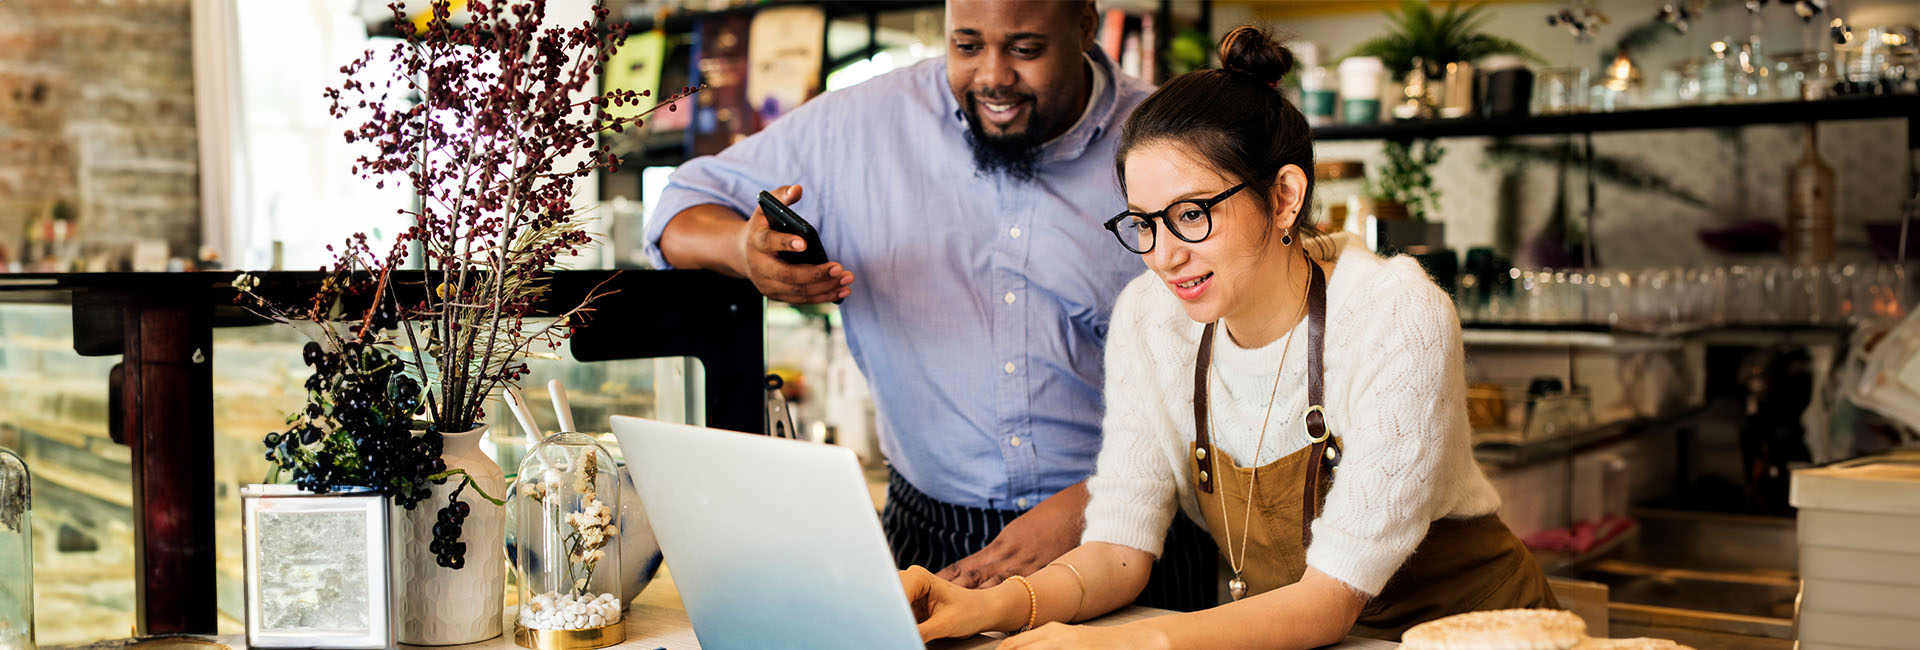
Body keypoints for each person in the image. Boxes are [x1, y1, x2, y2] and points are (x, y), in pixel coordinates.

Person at [902, 26, 1558, 647]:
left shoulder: (1396, 316)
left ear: (1284, 198)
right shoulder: (1149, 318)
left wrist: (1138, 641)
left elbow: (1329, 600)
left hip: (1484, 636)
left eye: (1191, 215)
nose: (1163, 255)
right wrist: (994, 606)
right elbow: (1118, 551)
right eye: (1144, 224)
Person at [643, 0, 1213, 610]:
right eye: (966, 46)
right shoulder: (858, 125)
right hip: (934, 539)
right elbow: (678, 208)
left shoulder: (1168, 142)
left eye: (1025, 49)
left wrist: (1100, 503)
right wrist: (742, 249)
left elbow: (1244, 367)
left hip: (1139, 527)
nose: (992, 76)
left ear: (1084, 27)